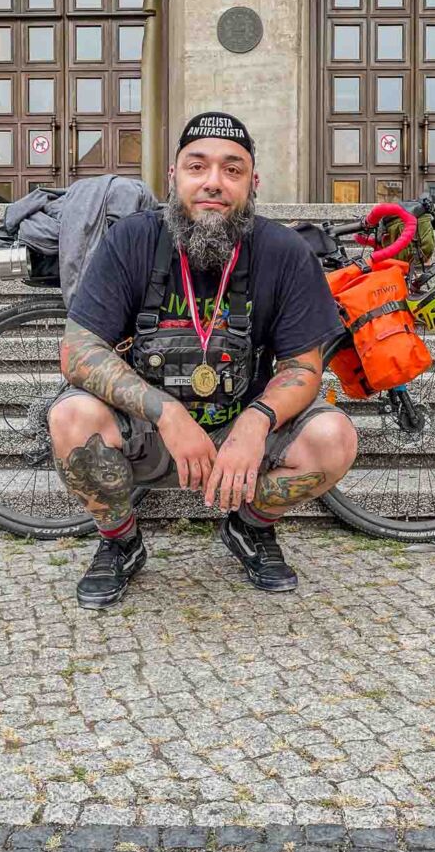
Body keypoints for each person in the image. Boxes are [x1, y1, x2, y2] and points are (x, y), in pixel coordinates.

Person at [49, 111, 358, 608]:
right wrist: (166, 413)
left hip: (240, 438)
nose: (213, 183)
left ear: (252, 183)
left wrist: (256, 424)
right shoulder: (131, 239)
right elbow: (78, 351)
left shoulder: (284, 252)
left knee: (334, 437)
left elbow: (304, 368)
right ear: (173, 177)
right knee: (70, 416)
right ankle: (121, 541)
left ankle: (250, 528)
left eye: (232, 170)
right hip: (148, 433)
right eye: (198, 167)